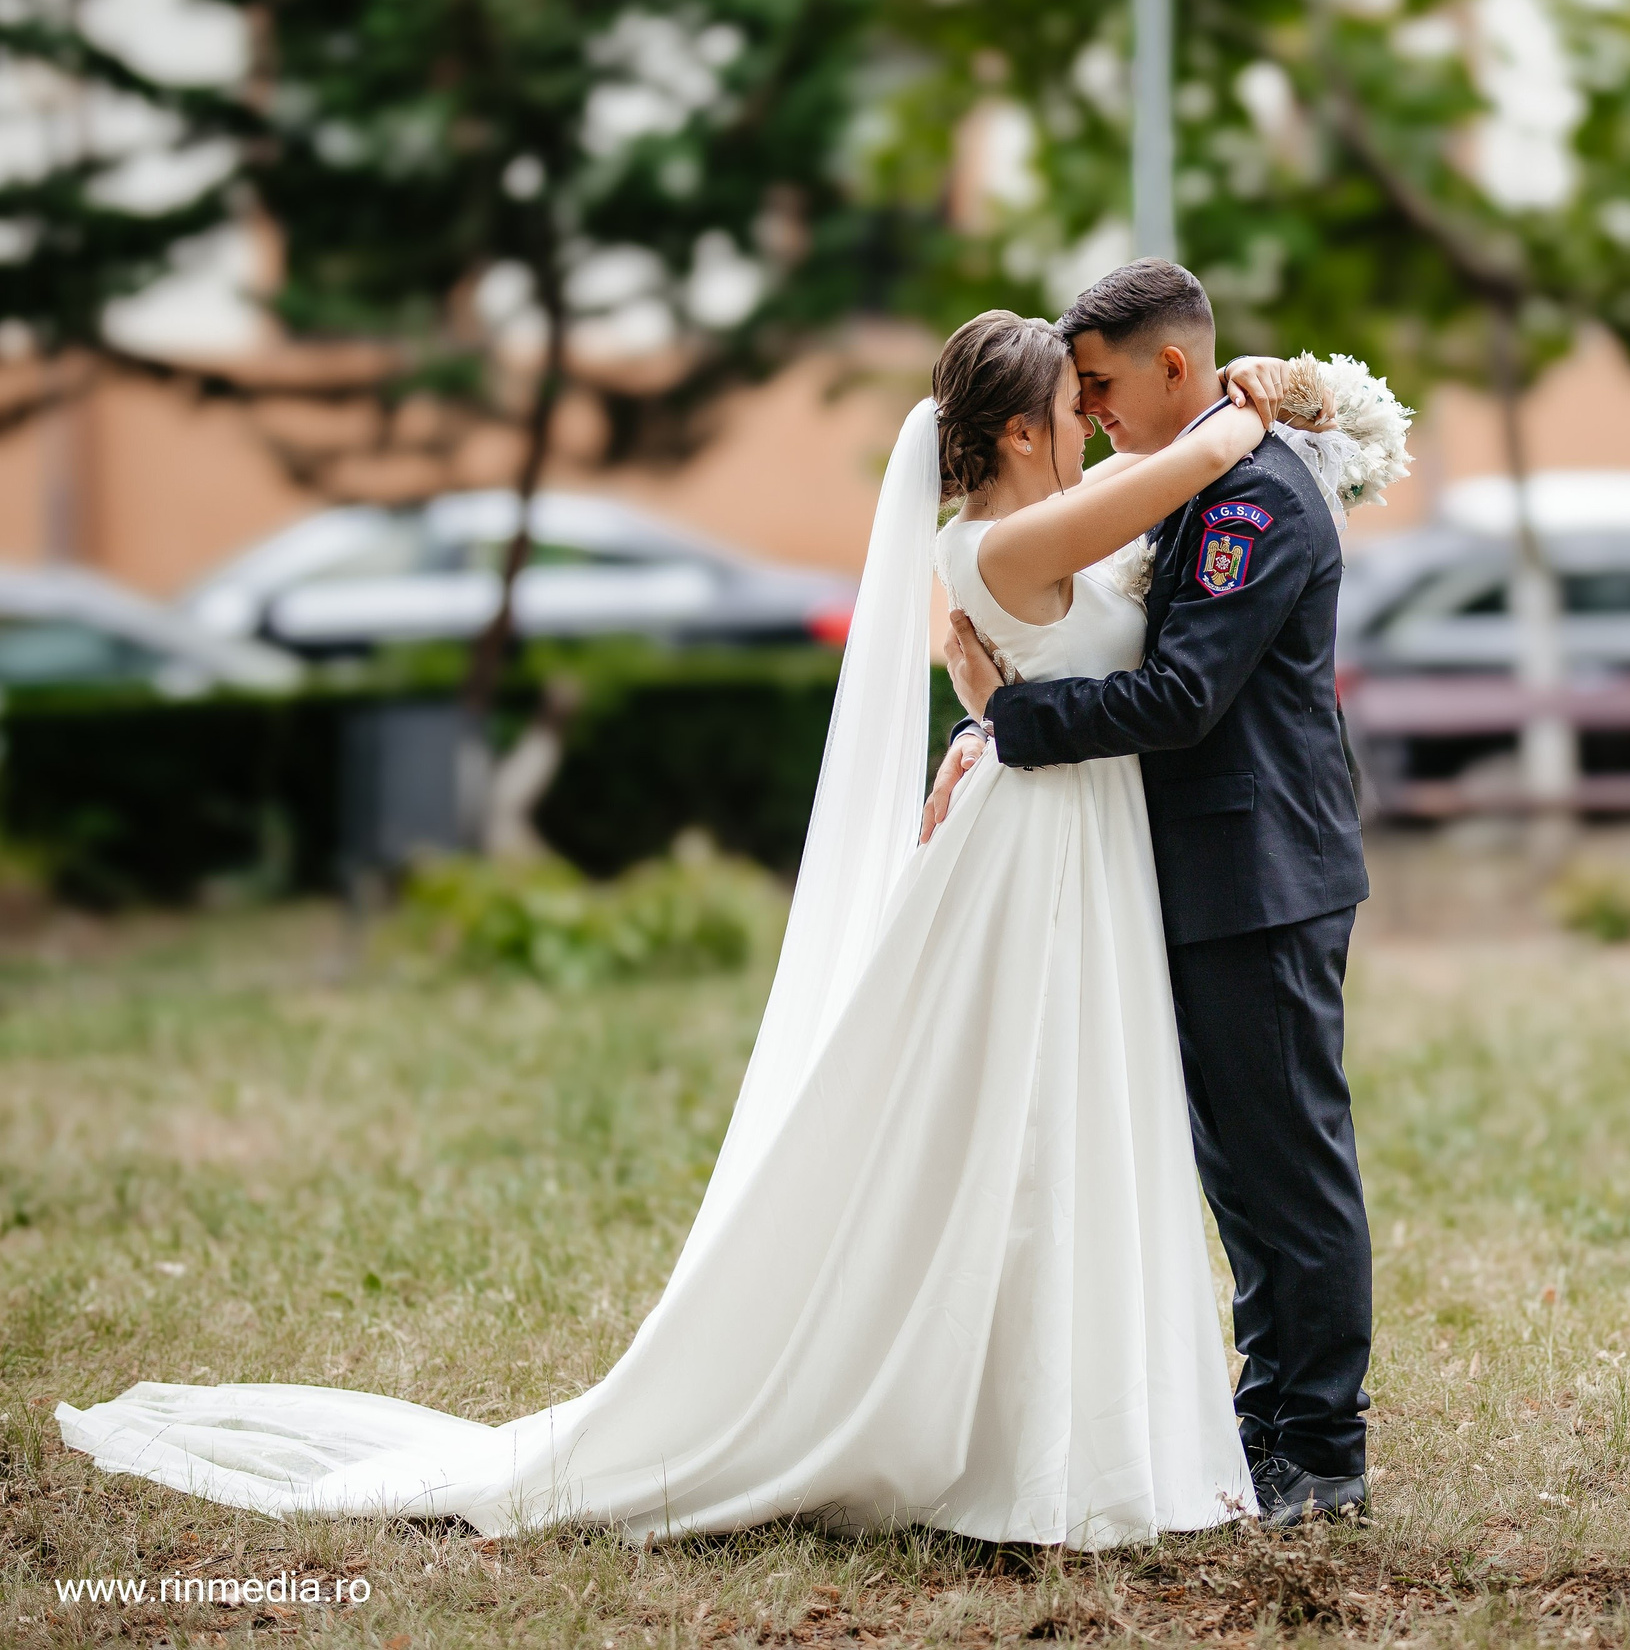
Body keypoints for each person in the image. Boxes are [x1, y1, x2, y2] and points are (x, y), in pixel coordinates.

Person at [56, 312, 1287, 1549]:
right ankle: (1003, 1422)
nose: (1094, 420)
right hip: (1040, 862)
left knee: (1061, 1110)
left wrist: (986, 717)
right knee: (1025, 1110)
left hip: (1066, 836)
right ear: (1022, 430)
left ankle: (1049, 1408)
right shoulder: (1013, 537)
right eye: (1076, 404)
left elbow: (1124, 528)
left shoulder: (1025, 526)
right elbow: (1187, 464)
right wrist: (1274, 396)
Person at [928, 258, 1374, 1526]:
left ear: (1174, 365)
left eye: (1106, 383)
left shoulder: (1251, 507)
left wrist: (1008, 720)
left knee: (1288, 1170)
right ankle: (1265, 1418)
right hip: (1199, 874)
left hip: (1261, 877)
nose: (1098, 409)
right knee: (1237, 1172)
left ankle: (1320, 1445)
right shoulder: (1186, 487)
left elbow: (1180, 699)